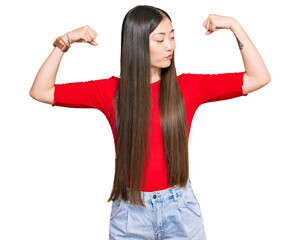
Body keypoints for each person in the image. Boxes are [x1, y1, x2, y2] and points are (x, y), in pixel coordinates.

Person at [29, 4, 271, 240]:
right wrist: (65, 41)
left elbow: (258, 77)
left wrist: (234, 26)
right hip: (130, 215)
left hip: (181, 213)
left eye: (173, 37)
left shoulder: (189, 87)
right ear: (137, 43)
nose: (170, 46)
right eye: (160, 39)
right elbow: (41, 91)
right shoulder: (110, 91)